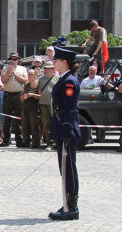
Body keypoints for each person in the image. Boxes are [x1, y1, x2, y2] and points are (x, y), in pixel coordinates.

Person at [48, 47, 81, 221]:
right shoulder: (64, 78)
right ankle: (67, 204)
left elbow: (71, 108)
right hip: (61, 127)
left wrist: (67, 129)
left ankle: (72, 207)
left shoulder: (70, 81)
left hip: (66, 128)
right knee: (64, 168)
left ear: (64, 62)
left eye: (56, 60)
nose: (54, 62)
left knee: (69, 169)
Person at [0, 53, 27, 147]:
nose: (13, 61)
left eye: (15, 59)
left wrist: (15, 74)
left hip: (18, 95)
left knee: (18, 118)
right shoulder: (5, 69)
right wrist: (8, 72)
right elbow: (3, 81)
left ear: (18, 60)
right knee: (7, 118)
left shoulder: (22, 69)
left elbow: (25, 81)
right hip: (7, 95)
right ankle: (6, 140)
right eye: (11, 59)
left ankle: (19, 140)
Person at [21, 63, 42, 149]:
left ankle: (36, 142)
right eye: (29, 74)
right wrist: (24, 97)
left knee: (34, 126)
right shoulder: (26, 85)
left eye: (32, 74)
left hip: (34, 107)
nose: (31, 76)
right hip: (25, 107)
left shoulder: (38, 85)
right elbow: (21, 95)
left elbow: (41, 96)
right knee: (24, 125)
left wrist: (32, 95)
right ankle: (26, 141)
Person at [37, 61, 57, 149]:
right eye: (46, 68)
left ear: (53, 69)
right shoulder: (41, 79)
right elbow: (39, 91)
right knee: (46, 123)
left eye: (49, 68)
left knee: (55, 123)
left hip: (54, 104)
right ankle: (49, 143)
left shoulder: (58, 78)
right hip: (44, 103)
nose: (47, 70)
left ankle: (56, 141)